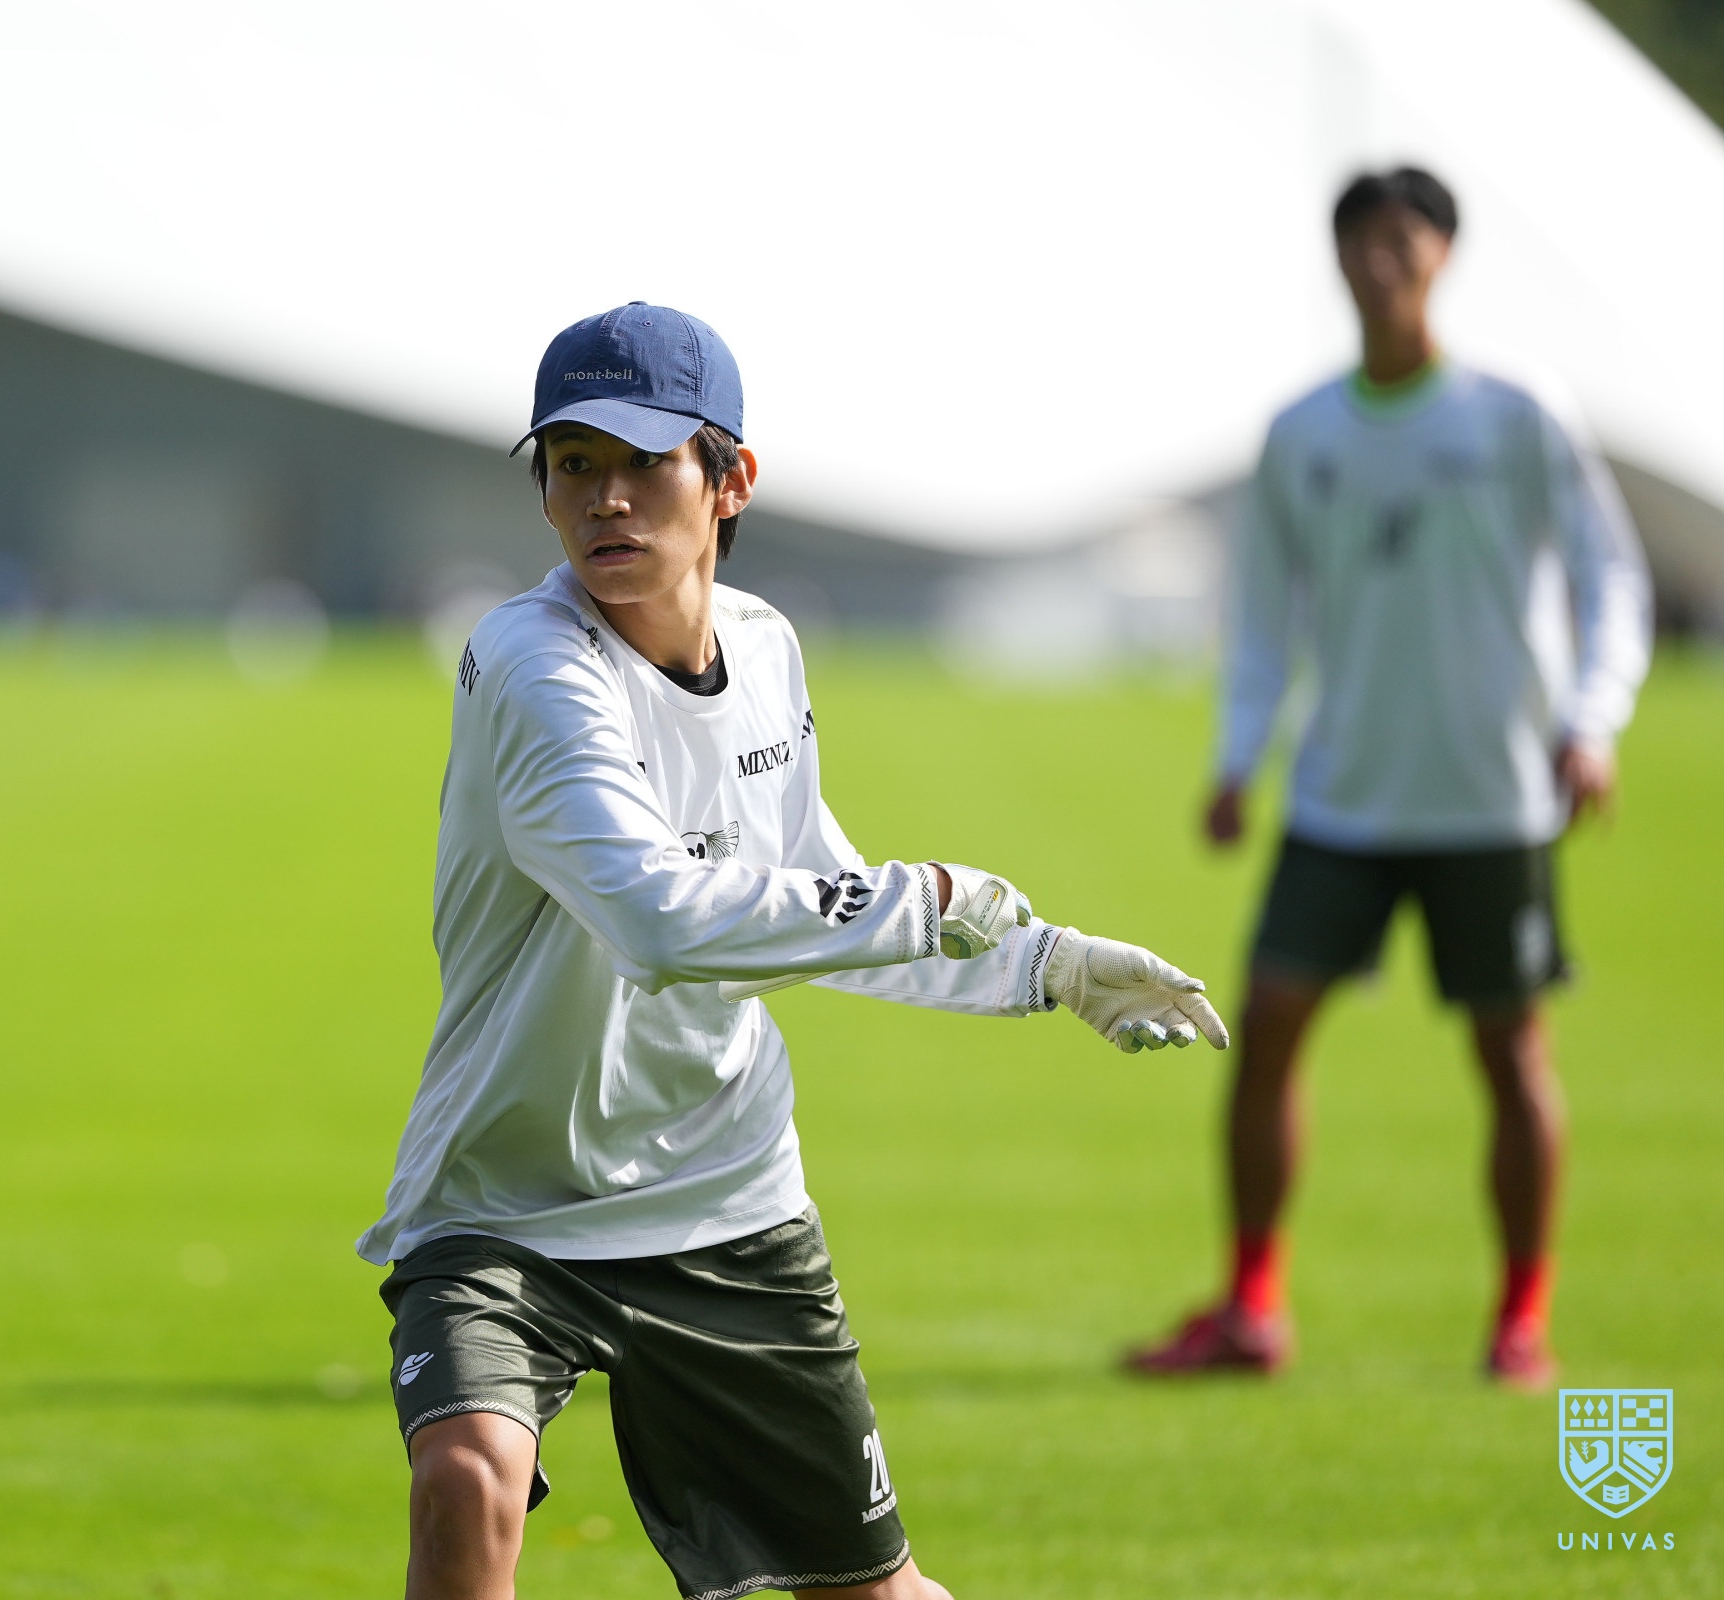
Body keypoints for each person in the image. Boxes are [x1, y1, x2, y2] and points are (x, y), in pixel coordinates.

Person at [361, 303, 1229, 1600]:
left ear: (731, 481)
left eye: (642, 462)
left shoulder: (765, 649)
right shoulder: (531, 666)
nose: (604, 499)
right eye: (573, 464)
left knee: (874, 1592)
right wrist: (926, 897)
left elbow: (810, 893)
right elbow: (660, 918)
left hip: (725, 1196)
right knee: (466, 1477)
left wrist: (1043, 961)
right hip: (506, 1200)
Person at [1126, 168, 1651, 1390]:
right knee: (1262, 1028)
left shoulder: (1517, 412)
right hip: (1342, 798)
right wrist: (1238, 758)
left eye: (1402, 239)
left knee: (1511, 1056)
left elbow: (1610, 572)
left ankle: (1521, 1321)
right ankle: (1252, 1305)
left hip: (1492, 798)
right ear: (1338, 258)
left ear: (1443, 255)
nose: (1380, 261)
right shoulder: (1302, 431)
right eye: (1360, 239)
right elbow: (1265, 618)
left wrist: (1593, 721)